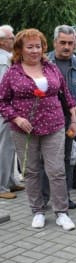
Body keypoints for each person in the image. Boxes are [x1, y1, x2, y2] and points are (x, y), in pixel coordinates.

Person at [0, 28, 76, 230]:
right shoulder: (12, 73)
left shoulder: (51, 68)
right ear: (20, 49)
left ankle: (62, 212)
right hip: (24, 131)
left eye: (38, 46)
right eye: (30, 47)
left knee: (56, 170)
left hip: (54, 126)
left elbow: (67, 96)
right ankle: (38, 211)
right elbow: (3, 101)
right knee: (32, 172)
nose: (35, 51)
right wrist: (16, 117)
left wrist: (74, 120)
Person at [42, 25, 76, 209]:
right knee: (45, 161)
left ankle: (64, 197)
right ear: (55, 42)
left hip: (71, 121)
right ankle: (43, 198)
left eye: (70, 43)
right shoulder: (42, 63)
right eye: (62, 42)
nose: (66, 47)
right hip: (45, 122)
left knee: (68, 160)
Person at [0, 25, 25, 199]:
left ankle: (10, 181)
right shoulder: (2, 61)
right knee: (4, 148)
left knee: (10, 148)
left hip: (10, 110)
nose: (14, 39)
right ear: (2, 41)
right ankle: (2, 187)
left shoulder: (7, 57)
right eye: (11, 37)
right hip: (4, 111)